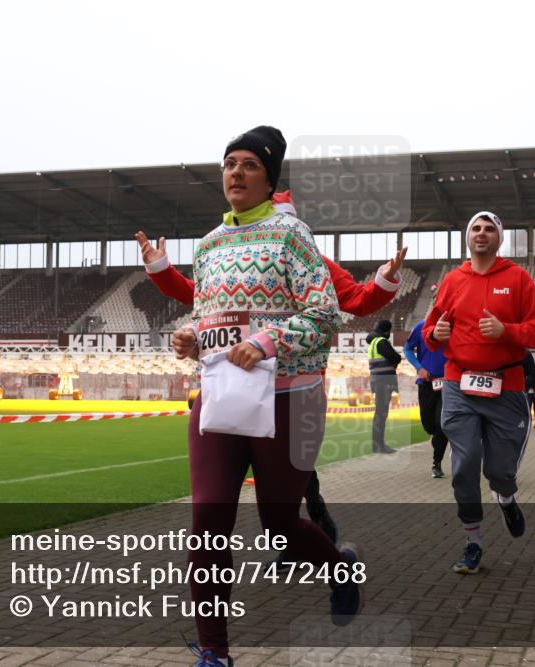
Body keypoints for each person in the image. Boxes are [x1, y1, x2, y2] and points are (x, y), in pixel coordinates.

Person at [172, 126, 361, 666]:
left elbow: (325, 315)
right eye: (229, 162)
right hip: (220, 400)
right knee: (207, 526)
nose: (235, 172)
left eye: (250, 164)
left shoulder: (291, 236)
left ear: (269, 178)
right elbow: (208, 318)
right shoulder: (208, 245)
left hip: (289, 400)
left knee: (280, 527)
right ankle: (214, 653)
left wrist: (267, 340)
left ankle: (339, 568)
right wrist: (191, 337)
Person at [136, 192, 407, 558]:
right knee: (219, 518)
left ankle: (316, 544)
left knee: (289, 503)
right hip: (231, 391)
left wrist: (386, 280)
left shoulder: (311, 258)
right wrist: (162, 272)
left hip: (293, 392)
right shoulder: (226, 255)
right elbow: (200, 300)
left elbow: (356, 301)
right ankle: (309, 538)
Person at [423, 210, 535, 575]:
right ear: (468, 236)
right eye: (475, 228)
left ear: (500, 237)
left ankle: (506, 497)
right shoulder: (452, 280)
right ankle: (473, 542)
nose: (481, 233)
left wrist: (506, 331)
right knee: (463, 466)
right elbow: (432, 328)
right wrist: (436, 335)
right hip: (458, 384)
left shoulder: (518, 278)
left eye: (489, 229)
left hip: (505, 387)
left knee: (500, 471)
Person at [404, 298, 450, 478]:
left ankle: (436, 463)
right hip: (427, 384)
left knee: (442, 425)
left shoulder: (455, 329)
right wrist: (419, 368)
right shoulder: (421, 327)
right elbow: (407, 349)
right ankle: (435, 438)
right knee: (429, 425)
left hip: (449, 385)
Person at [367, 319, 401, 454]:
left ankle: (377, 445)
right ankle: (379, 445)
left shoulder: (374, 342)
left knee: (379, 414)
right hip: (383, 381)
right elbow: (395, 357)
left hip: (378, 381)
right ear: (387, 330)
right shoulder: (381, 342)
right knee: (381, 414)